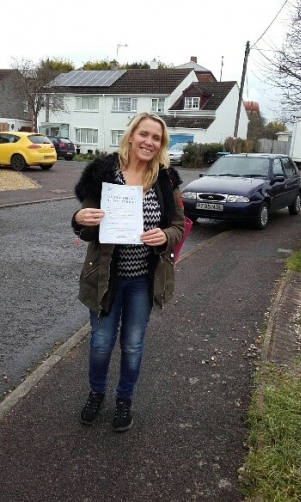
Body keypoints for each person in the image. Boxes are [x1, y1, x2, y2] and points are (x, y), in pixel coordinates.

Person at [71, 112, 185, 432]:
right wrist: (80, 220)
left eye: (156, 138)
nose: (149, 142)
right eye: (144, 134)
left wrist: (165, 237)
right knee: (101, 343)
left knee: (133, 344)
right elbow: (85, 222)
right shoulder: (104, 173)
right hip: (106, 278)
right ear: (131, 135)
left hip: (142, 281)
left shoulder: (165, 180)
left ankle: (124, 399)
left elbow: (178, 226)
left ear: (161, 145)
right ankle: (96, 394)